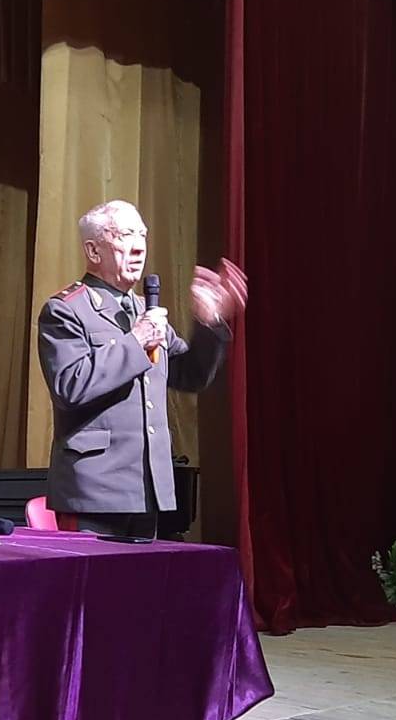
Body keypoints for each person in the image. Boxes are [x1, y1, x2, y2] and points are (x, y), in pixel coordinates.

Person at [36, 200, 249, 538]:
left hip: (147, 487)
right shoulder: (66, 311)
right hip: (94, 491)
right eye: (124, 235)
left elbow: (190, 375)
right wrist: (135, 341)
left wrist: (209, 323)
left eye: (142, 235)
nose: (138, 246)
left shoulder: (145, 311)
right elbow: (69, 387)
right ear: (93, 251)